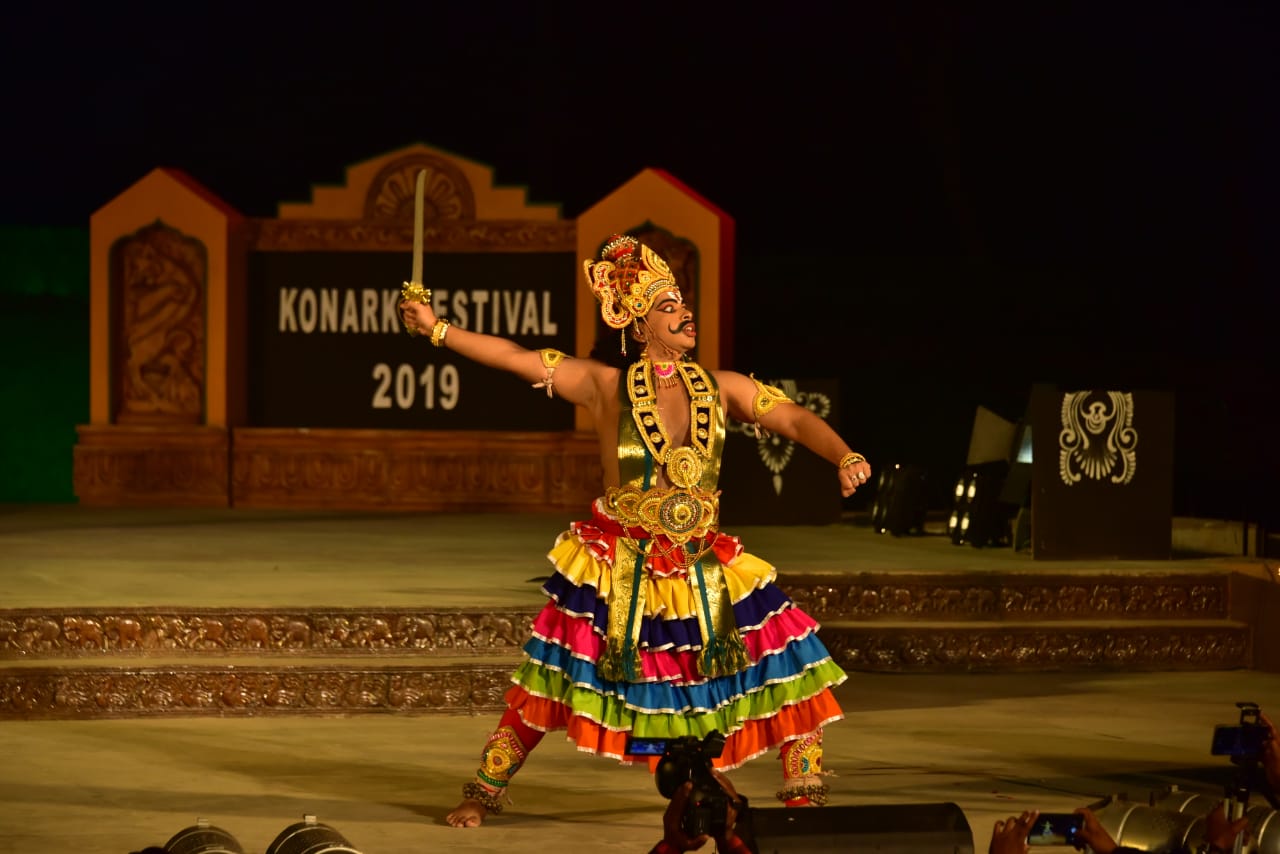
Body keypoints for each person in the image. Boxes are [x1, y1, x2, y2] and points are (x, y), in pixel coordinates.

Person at [398, 234, 872, 828]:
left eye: (683, 302)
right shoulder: (604, 386)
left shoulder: (720, 386)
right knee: (553, 678)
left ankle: (804, 805)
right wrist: (440, 329)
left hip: (702, 558)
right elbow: (515, 357)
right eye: (670, 305)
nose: (686, 312)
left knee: (790, 661)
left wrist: (845, 455)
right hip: (621, 563)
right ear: (640, 321)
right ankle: (484, 790)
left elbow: (795, 418)